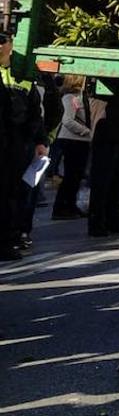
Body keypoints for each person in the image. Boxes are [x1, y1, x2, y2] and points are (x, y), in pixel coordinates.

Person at [0, 31, 49, 260]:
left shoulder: (24, 73)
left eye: (3, 42)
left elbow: (35, 111)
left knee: (12, 193)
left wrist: (40, 140)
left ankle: (9, 239)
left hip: (16, 142)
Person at [86, 81, 119, 237]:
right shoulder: (105, 91)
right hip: (108, 133)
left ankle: (113, 219)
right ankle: (98, 221)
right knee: (103, 181)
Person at [50, 75, 90, 220]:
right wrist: (86, 131)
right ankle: (62, 207)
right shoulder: (71, 97)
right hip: (73, 140)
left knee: (76, 176)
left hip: (78, 140)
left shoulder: (78, 96)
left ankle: (70, 205)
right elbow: (67, 119)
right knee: (71, 175)